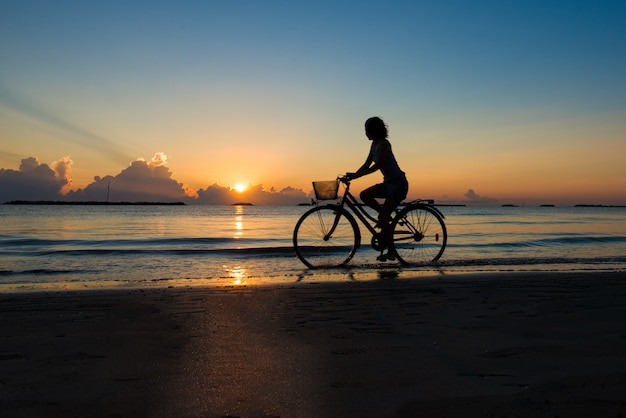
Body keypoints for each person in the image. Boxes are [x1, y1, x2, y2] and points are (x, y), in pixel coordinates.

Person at [346, 116, 408, 261]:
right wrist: (353, 175)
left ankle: (391, 252)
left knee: (383, 217)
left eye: (366, 130)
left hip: (398, 184)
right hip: (388, 184)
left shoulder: (384, 144)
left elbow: (378, 165)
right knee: (364, 195)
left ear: (374, 130)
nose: (365, 133)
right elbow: (367, 164)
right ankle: (384, 216)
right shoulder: (374, 144)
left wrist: (357, 176)